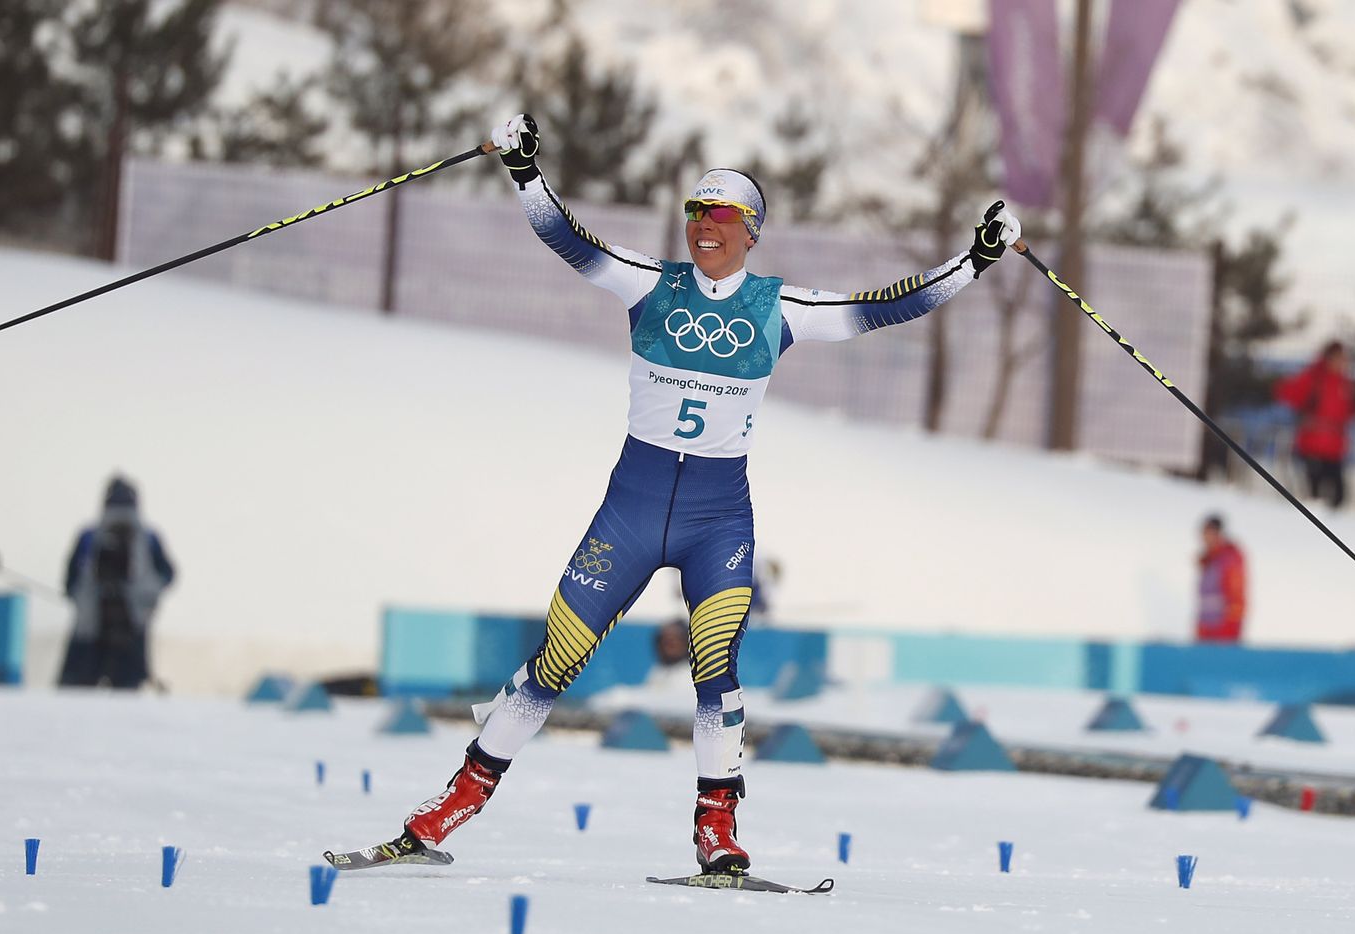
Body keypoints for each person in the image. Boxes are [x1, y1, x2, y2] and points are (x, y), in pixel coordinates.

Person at [338, 113, 1020, 875]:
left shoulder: (780, 307)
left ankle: (717, 835)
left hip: (716, 519)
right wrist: (527, 172)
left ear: (751, 231)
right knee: (553, 662)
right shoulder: (650, 283)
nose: (705, 227)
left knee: (715, 668)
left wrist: (976, 260)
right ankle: (442, 815)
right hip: (629, 513)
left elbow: (890, 304)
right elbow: (569, 240)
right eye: (696, 212)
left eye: (722, 215)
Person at [58, 476, 175, 690]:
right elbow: (168, 574)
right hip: (133, 625)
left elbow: (70, 578)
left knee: (76, 691)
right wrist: (147, 598)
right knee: (127, 690)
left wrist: (77, 596)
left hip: (90, 625)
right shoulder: (149, 537)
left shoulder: (89, 536)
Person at [1274, 340, 1353, 508]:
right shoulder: (1313, 377)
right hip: (1312, 445)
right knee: (1314, 495)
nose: (1342, 362)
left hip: (1335, 447)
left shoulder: (1344, 382)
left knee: (1338, 495)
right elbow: (1286, 392)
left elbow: (1347, 413)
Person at [1195, 514, 1246, 643]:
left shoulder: (1229, 559)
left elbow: (1236, 598)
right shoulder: (1208, 560)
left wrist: (1229, 630)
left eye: (1207, 532)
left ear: (1217, 533)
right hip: (1206, 630)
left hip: (1223, 632)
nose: (1204, 537)